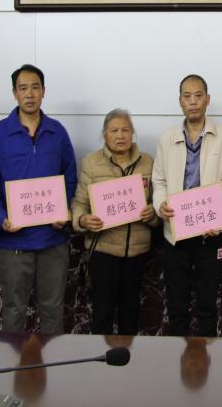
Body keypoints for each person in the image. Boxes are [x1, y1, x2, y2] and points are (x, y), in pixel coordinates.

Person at [0, 64, 77, 333]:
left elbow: (70, 178)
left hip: (52, 240)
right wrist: (0, 218)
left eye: (35, 87)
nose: (30, 94)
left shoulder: (58, 132)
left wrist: (63, 211)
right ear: (15, 93)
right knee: (13, 311)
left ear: (44, 91)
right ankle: (14, 361)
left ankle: (52, 360)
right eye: (23, 88)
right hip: (14, 241)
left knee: (53, 310)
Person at [152, 74, 222, 336]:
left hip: (209, 235)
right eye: (187, 96)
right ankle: (176, 358)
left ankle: (207, 358)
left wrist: (220, 220)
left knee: (207, 305)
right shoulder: (166, 138)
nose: (193, 102)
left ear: (207, 99)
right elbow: (158, 180)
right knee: (176, 305)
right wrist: (160, 205)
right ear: (180, 101)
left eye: (198, 96)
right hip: (175, 234)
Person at [71, 109, 159, 335]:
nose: (120, 135)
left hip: (136, 252)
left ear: (132, 133)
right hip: (103, 251)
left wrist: (153, 214)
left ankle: (129, 357)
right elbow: (79, 203)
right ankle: (102, 358)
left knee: (131, 314)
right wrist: (83, 219)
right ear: (105, 134)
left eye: (125, 130)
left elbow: (159, 203)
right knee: (102, 314)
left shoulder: (148, 163)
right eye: (114, 130)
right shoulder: (91, 162)